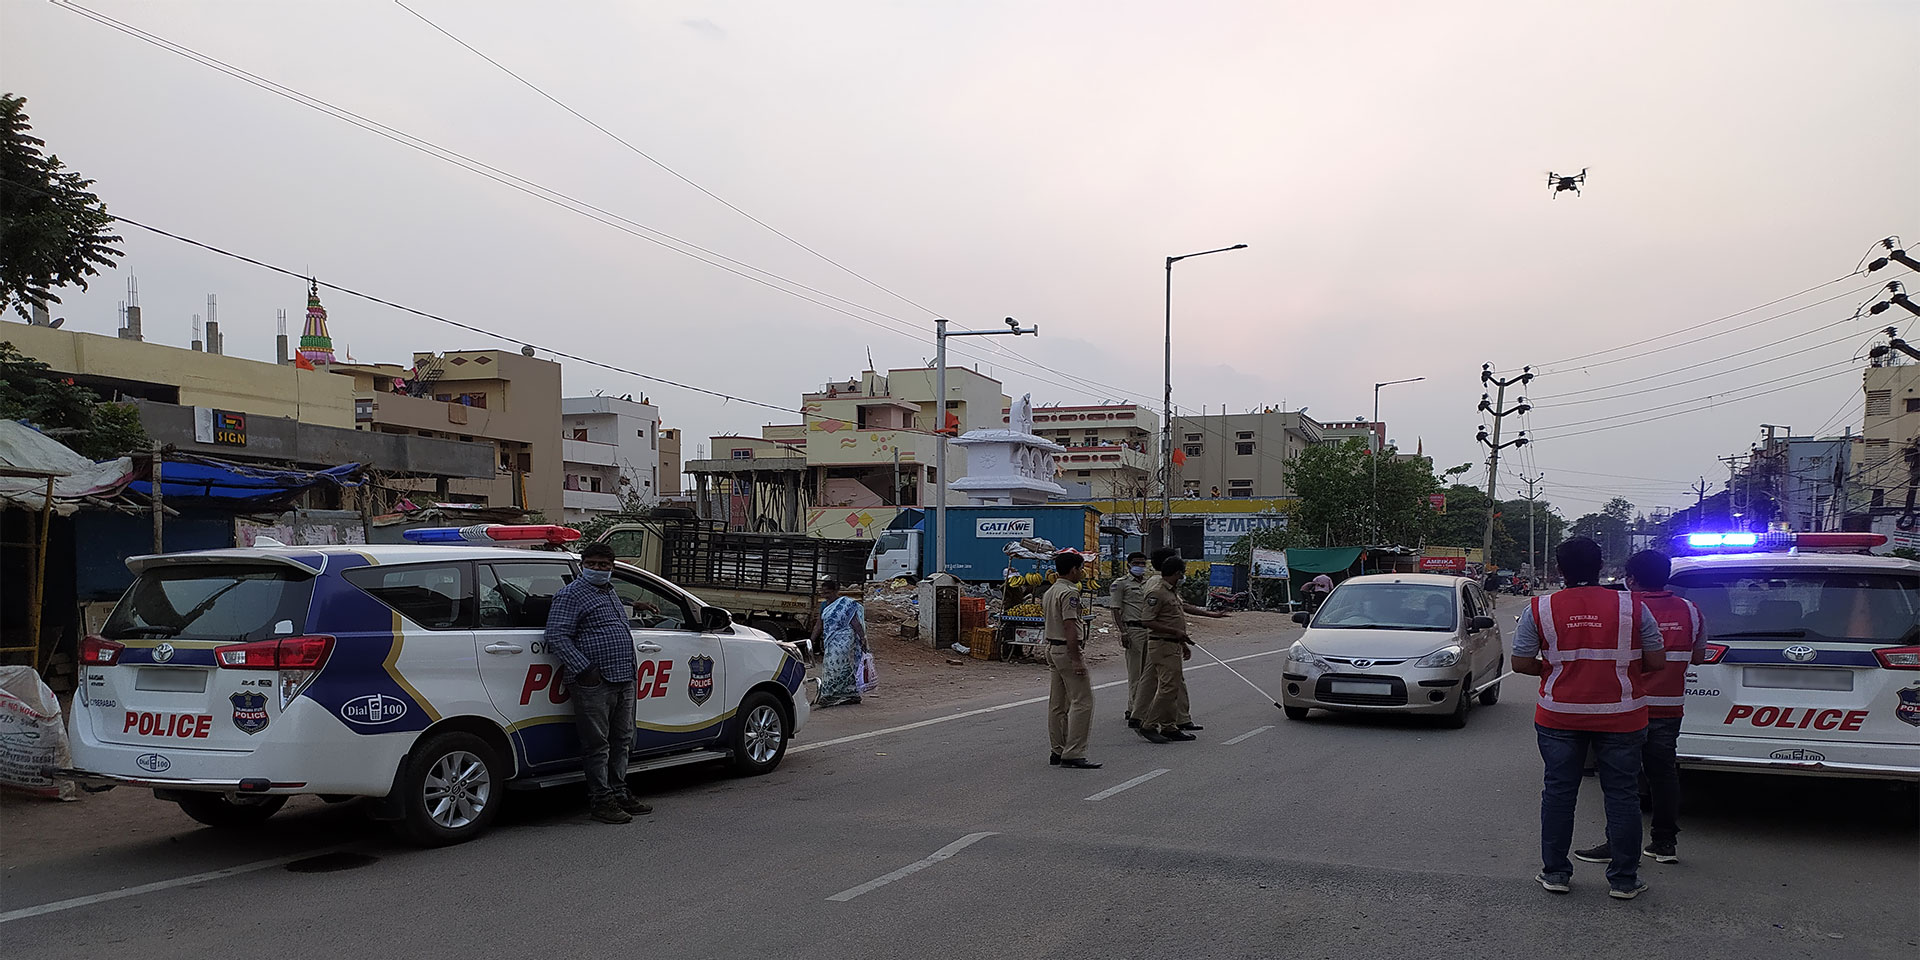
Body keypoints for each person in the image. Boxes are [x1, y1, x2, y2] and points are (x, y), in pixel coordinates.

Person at [1512, 537, 1665, 899]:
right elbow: (1657, 662)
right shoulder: (1633, 607)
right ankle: (1624, 880)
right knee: (1622, 795)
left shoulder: (1540, 608)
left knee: (1559, 793)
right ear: (1601, 566)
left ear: (1559, 569)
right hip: (1622, 716)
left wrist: (1558, 671)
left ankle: (1555, 873)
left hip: (1559, 716)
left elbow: (1520, 663)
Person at [1574, 550, 1705, 867]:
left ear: (1630, 579)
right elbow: (1698, 657)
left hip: (1626, 708)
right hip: (1669, 708)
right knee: (1663, 776)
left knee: (1622, 781)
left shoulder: (1623, 610)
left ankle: (1616, 844)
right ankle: (1664, 843)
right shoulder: (1691, 610)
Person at [546, 542, 650, 824]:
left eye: (603, 565)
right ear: (582, 565)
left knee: (623, 739)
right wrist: (584, 669)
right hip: (593, 681)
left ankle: (618, 791)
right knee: (597, 744)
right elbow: (556, 635)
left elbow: (606, 622)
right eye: (591, 564)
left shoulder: (610, 593)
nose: (597, 569)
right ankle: (601, 800)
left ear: (612, 568)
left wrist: (635, 607)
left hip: (623, 677)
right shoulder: (570, 595)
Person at [1137, 553, 1227, 743]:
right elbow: (1147, 620)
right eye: (1181, 574)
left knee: (1173, 685)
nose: (1182, 577)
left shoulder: (1171, 591)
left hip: (1172, 644)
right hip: (1161, 643)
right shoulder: (1157, 591)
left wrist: (1183, 641)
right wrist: (1175, 633)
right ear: (1176, 573)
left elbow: (1179, 610)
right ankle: (1149, 724)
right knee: (1168, 686)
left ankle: (1169, 726)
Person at [1043, 552, 1100, 769]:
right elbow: (1069, 626)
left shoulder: (1051, 590)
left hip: (1052, 647)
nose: (1083, 572)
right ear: (1074, 569)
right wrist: (1077, 659)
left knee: (1058, 703)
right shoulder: (1069, 592)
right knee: (1082, 701)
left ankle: (1057, 749)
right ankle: (1074, 752)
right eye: (1081, 568)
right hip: (1066, 650)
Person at [1109, 552, 1152, 728]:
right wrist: (1123, 632)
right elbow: (1115, 609)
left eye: (1142, 563)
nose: (1140, 566)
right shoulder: (1120, 584)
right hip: (1133, 629)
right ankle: (1137, 711)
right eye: (1136, 563)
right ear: (1128, 565)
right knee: (1135, 673)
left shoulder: (1149, 583)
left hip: (1148, 629)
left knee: (1147, 673)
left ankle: (1133, 707)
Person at [811, 579, 867, 708]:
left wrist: (862, 638)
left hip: (844, 640)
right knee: (835, 666)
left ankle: (829, 695)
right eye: (823, 593)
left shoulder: (845, 604)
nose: (826, 595)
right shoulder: (824, 605)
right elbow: (819, 624)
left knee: (835, 665)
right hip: (830, 641)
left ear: (836, 591)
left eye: (828, 592)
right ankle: (851, 693)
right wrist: (811, 640)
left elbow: (855, 623)